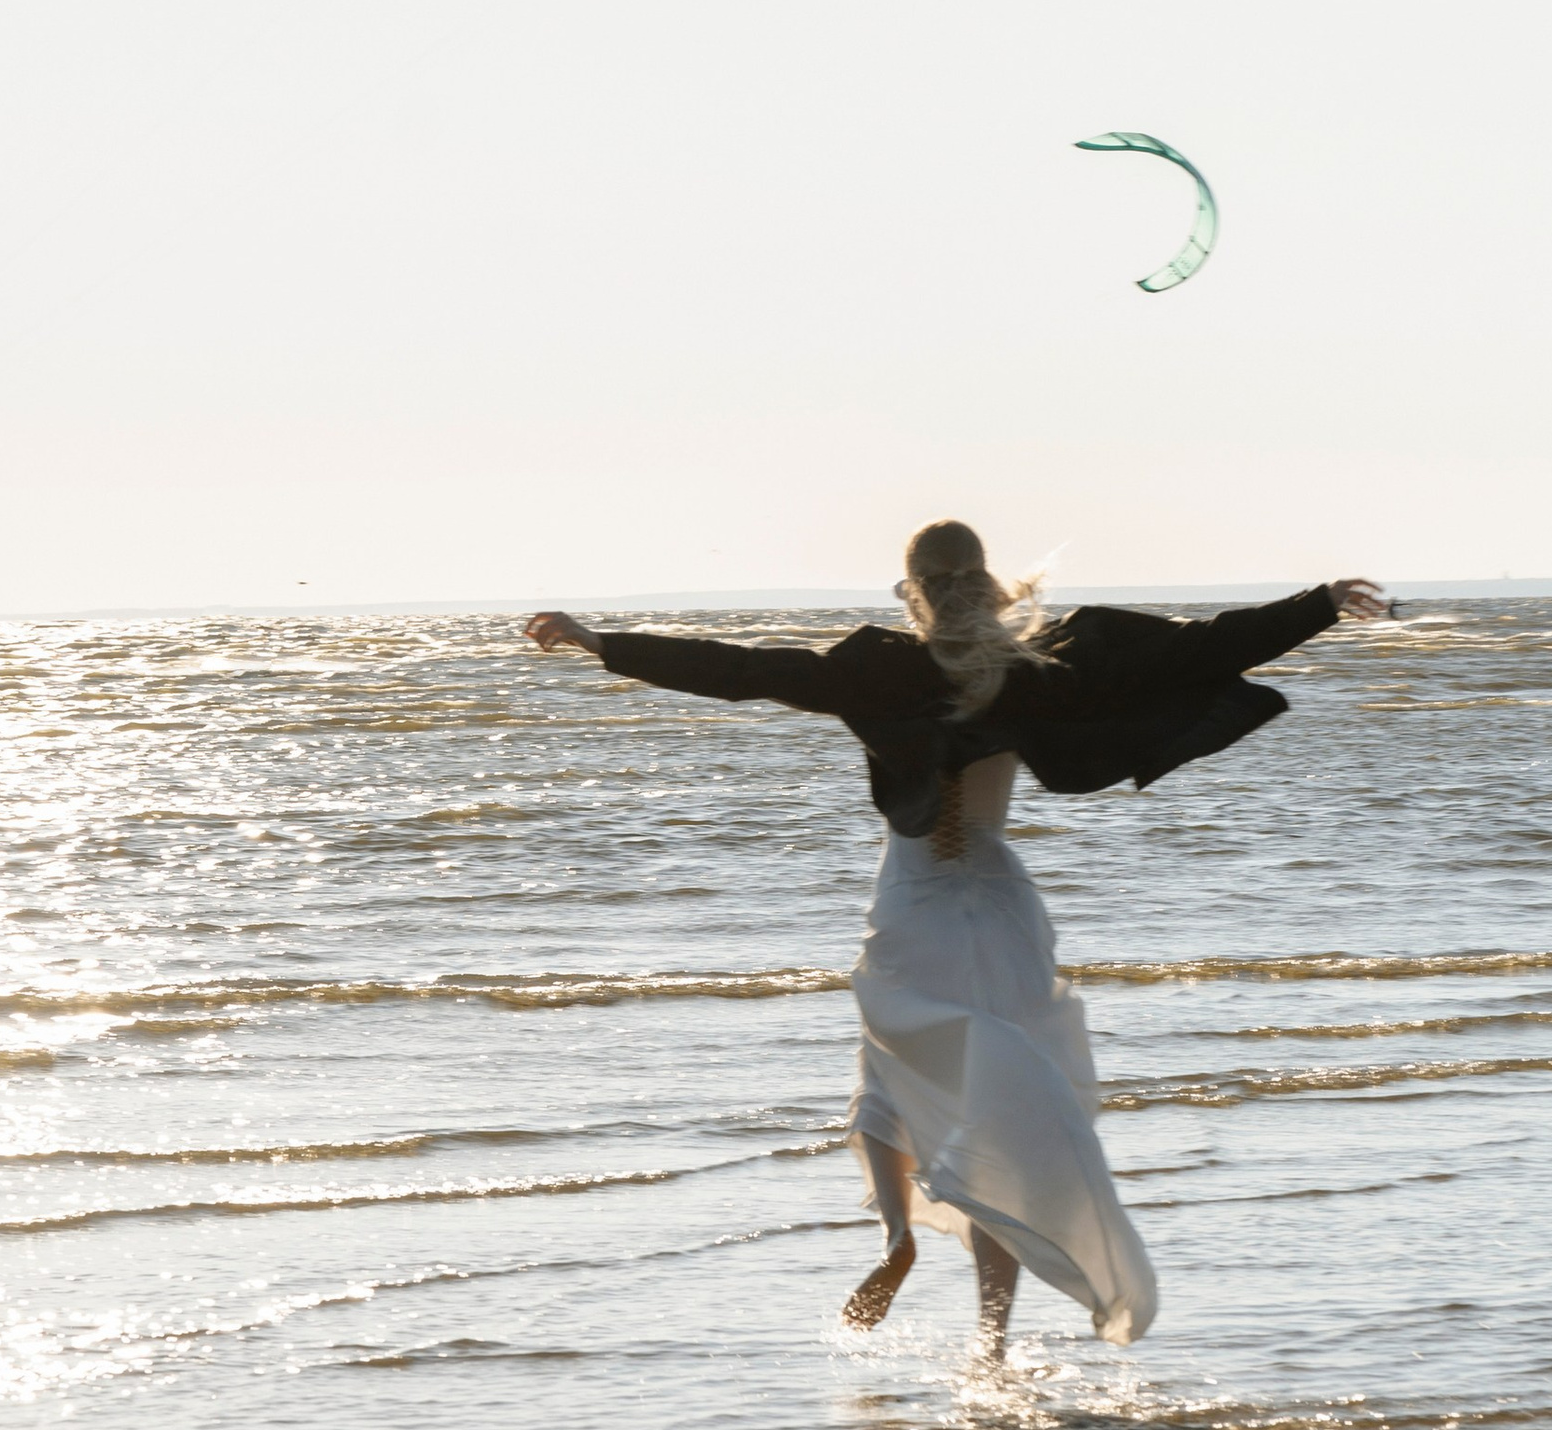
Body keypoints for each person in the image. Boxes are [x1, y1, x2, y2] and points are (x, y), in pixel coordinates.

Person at [526, 527, 1386, 1358]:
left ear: (911, 588)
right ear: (985, 579)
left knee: (890, 1071)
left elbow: (745, 671)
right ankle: (990, 1343)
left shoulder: (875, 672)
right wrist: (1318, 604)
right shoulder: (1031, 668)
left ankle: (898, 1234)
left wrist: (604, 641)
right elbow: (1194, 651)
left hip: (912, 903)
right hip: (1002, 905)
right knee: (1000, 1114)